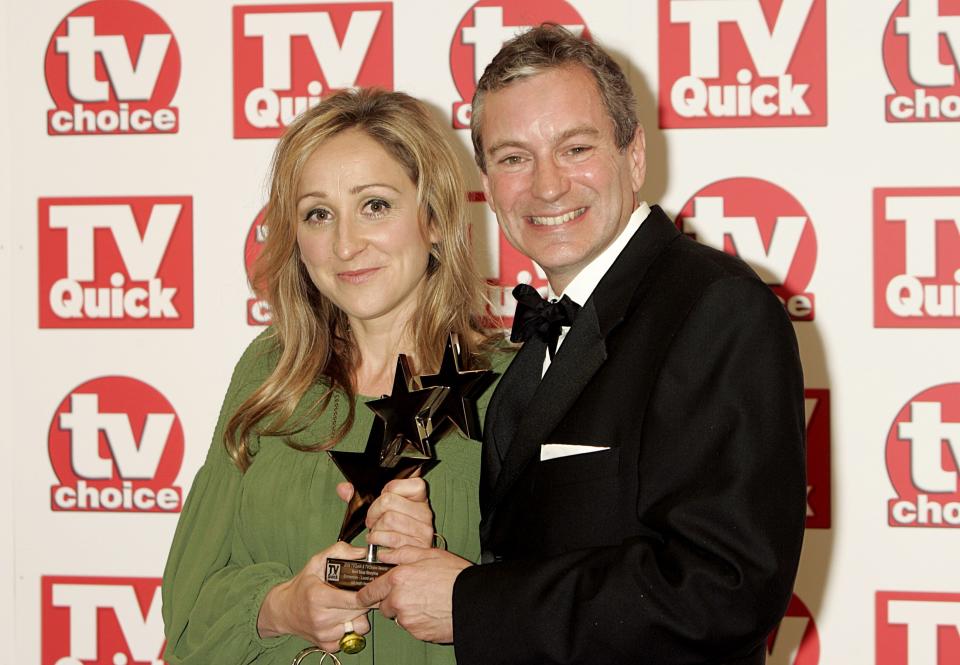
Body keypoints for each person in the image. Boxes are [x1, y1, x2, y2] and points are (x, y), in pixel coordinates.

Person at [357, 24, 807, 665]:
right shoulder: (536, 340)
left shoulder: (715, 309)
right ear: (488, 179)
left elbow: (724, 587)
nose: (546, 186)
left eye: (575, 148)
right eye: (514, 157)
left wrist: (469, 603)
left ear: (634, 155)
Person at [161, 88, 508, 664]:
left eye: (375, 205)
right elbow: (188, 612)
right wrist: (278, 607)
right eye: (318, 214)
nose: (346, 244)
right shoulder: (271, 373)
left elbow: (560, 613)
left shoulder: (510, 383)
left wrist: (441, 565)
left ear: (437, 218)